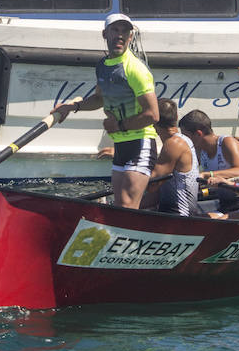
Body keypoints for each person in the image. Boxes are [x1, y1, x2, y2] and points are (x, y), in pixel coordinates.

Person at [52, 14, 159, 209]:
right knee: (120, 205)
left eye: (124, 32)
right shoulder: (102, 66)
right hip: (121, 144)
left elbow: (153, 114)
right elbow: (99, 99)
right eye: (115, 30)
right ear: (105, 34)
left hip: (140, 142)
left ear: (130, 38)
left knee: (127, 206)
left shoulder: (135, 69)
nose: (119, 36)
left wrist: (118, 125)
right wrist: (73, 107)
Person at [150, 99, 201, 216]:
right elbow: (154, 195)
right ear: (176, 117)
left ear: (153, 121)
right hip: (169, 213)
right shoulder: (182, 140)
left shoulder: (174, 144)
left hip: (178, 217)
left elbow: (151, 186)